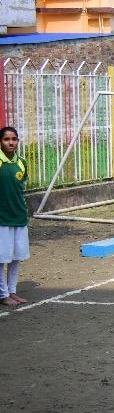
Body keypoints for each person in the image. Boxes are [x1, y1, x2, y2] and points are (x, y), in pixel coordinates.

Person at [0, 126, 30, 306]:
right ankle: (3, 294)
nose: (11, 142)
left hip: (19, 215)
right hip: (2, 217)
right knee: (2, 258)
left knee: (17, 257)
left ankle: (12, 290)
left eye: (14, 139)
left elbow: (21, 189)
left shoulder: (22, 163)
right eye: (6, 139)